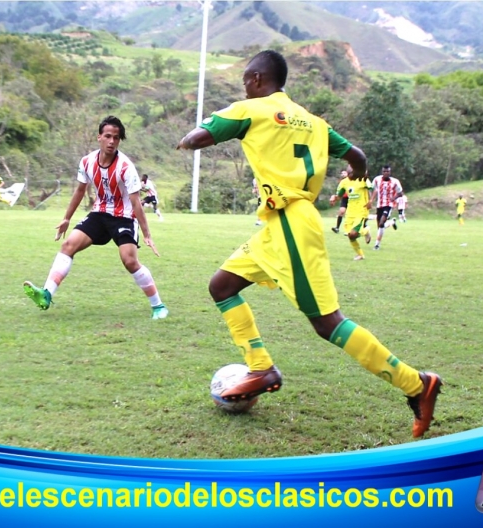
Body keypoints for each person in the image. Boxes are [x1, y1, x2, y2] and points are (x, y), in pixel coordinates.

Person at [177, 50, 442, 438]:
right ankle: (259, 367)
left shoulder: (250, 110)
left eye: (244, 82)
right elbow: (358, 156)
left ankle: (417, 385)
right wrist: (356, 173)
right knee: (222, 285)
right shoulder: (316, 123)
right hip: (278, 223)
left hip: (291, 225)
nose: (244, 88)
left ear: (254, 79)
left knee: (326, 323)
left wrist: (204, 132)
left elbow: (194, 139)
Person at [23, 116, 168, 320]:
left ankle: (158, 306)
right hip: (99, 214)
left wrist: (147, 234)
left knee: (129, 261)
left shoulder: (126, 167)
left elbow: (136, 202)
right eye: (107, 136)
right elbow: (80, 191)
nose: (111, 141)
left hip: (123, 217)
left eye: (116, 138)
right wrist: (66, 219)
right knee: (68, 246)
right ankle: (46, 294)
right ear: (99, 137)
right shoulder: (87, 162)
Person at [329, 166, 371, 260]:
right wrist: (333, 198)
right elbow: (339, 196)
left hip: (361, 210)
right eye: (348, 174)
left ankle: (366, 231)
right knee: (350, 236)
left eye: (351, 174)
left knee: (353, 233)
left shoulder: (363, 179)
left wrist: (370, 201)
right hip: (350, 212)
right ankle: (360, 254)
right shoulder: (344, 182)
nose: (350, 176)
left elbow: (371, 189)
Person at [370, 165, 402, 250]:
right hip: (379, 205)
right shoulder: (377, 179)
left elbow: (400, 193)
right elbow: (372, 189)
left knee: (381, 223)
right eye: (384, 171)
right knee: (380, 226)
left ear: (390, 172)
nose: (386, 173)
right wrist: (370, 200)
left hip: (388, 205)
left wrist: (394, 198)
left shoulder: (395, 181)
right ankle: (391, 222)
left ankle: (377, 245)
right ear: (382, 172)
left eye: (387, 171)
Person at [331, 169, 349, 234]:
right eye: (342, 173)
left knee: (350, 214)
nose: (343, 174)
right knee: (341, 212)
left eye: (344, 173)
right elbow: (339, 193)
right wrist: (335, 198)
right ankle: (337, 228)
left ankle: (349, 230)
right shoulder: (341, 182)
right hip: (344, 199)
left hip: (352, 198)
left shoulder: (351, 180)